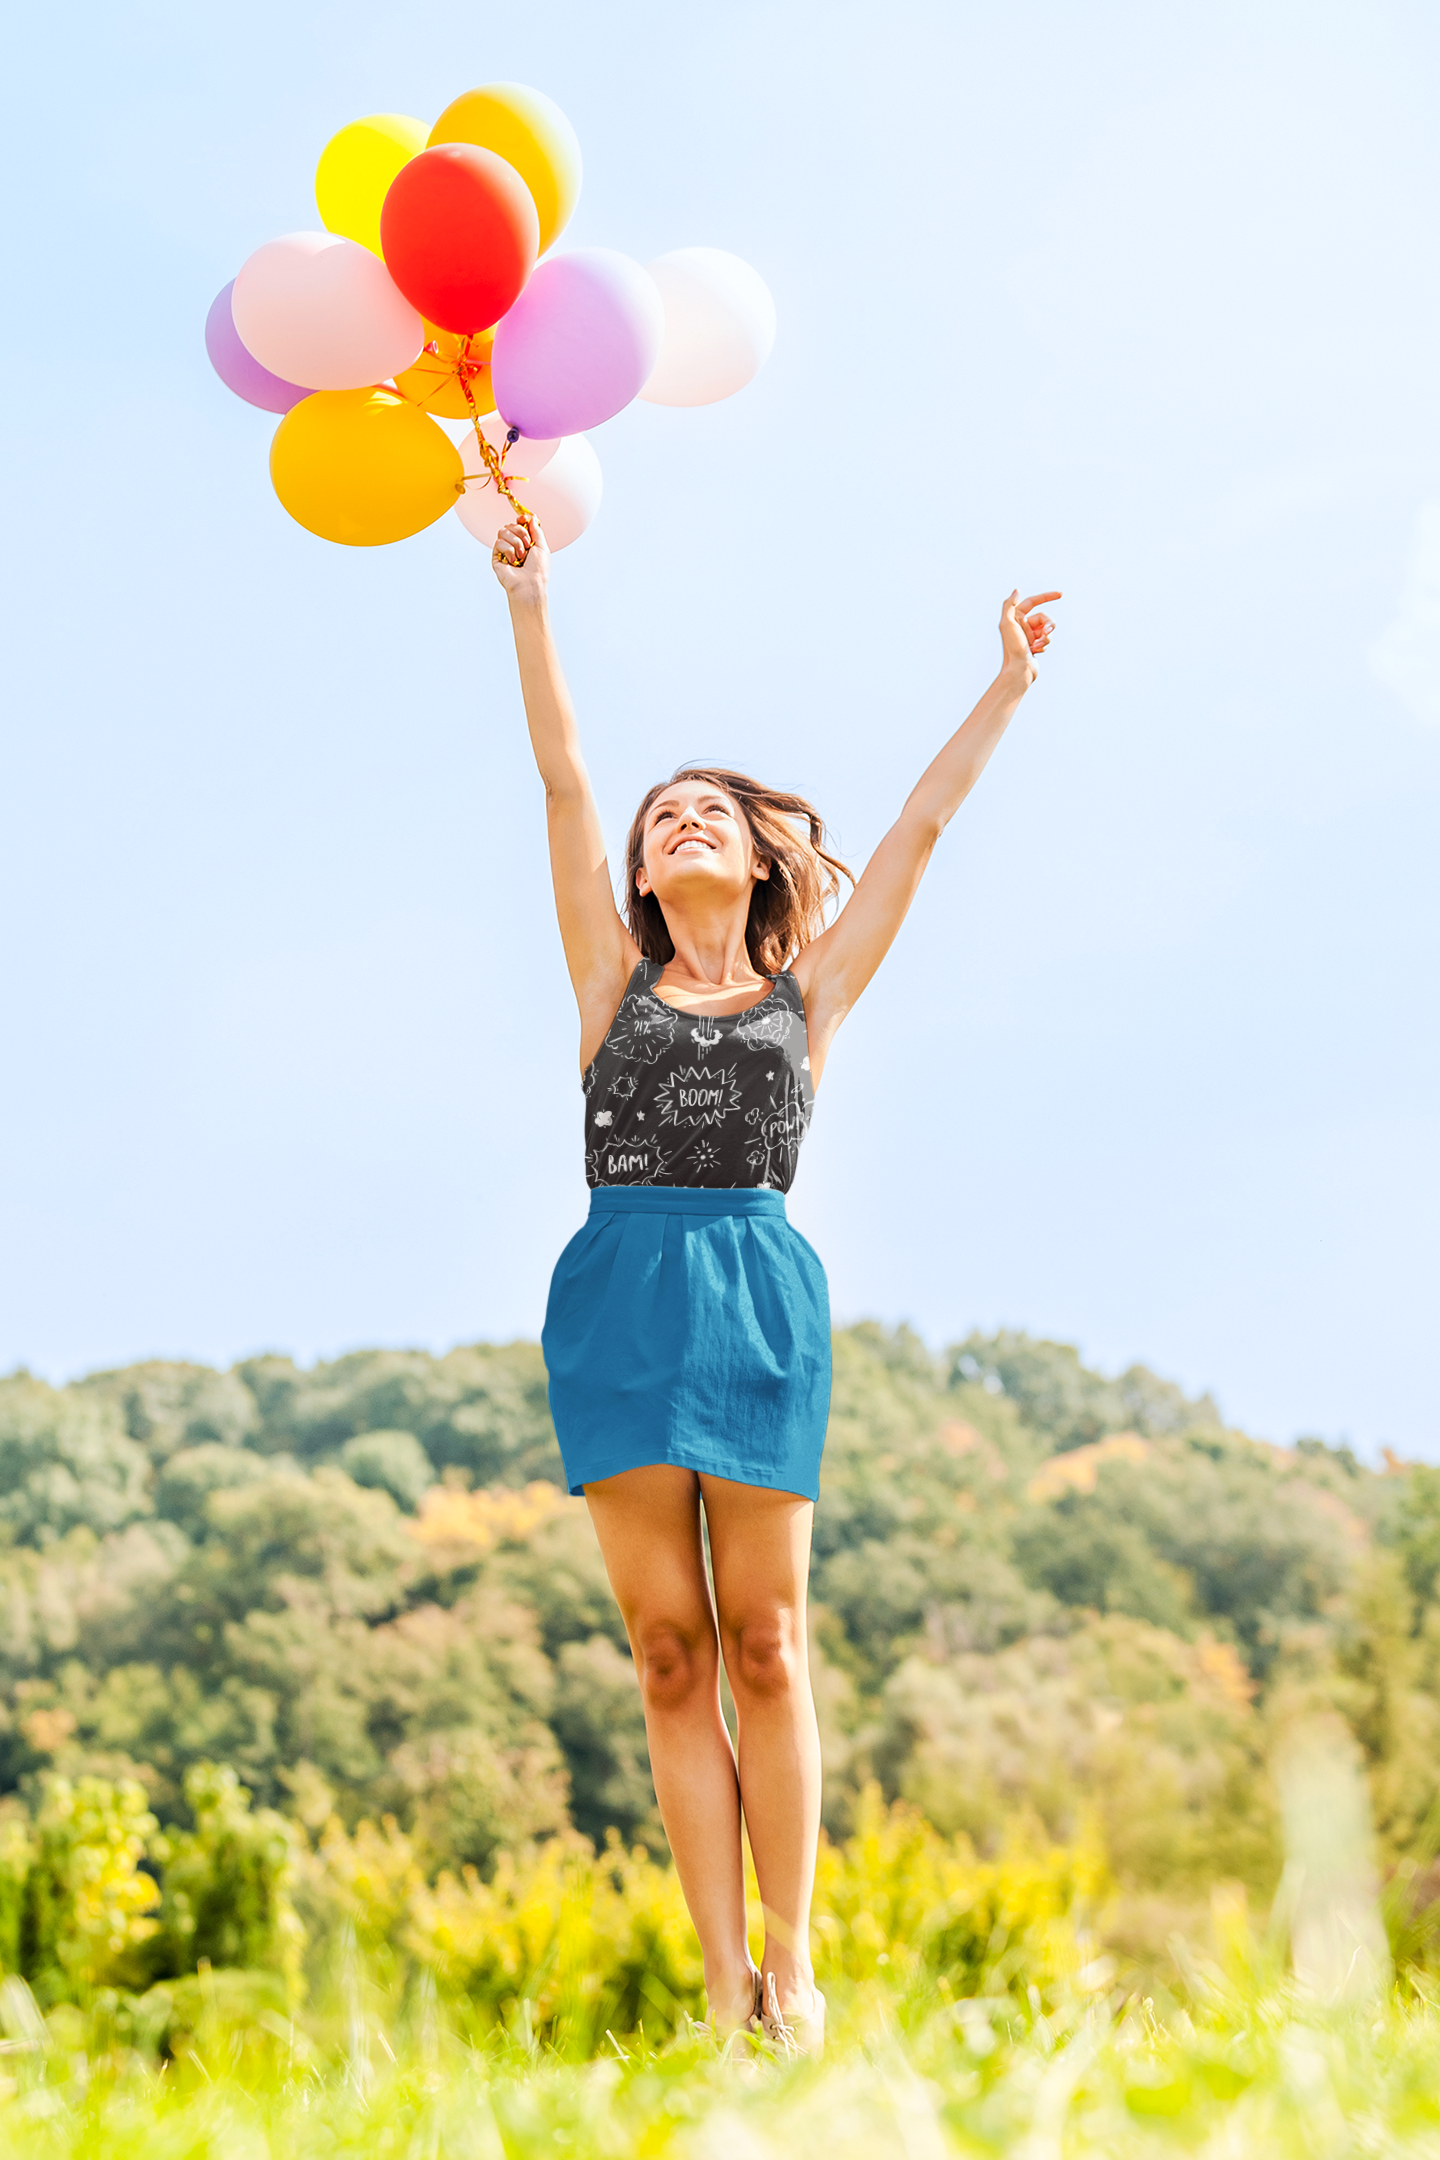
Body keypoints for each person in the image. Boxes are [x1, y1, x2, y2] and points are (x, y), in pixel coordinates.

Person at [491, 508, 1058, 2053]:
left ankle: (793, 1970)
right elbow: (564, 777)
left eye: (704, 814)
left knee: (767, 1641)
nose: (672, 822)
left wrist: (1003, 685)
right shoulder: (610, 981)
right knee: (669, 1653)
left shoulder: (812, 993)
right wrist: (530, 599)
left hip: (754, 1285)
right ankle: (717, 1977)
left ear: (752, 858)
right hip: (618, 1284)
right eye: (659, 817)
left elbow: (923, 833)